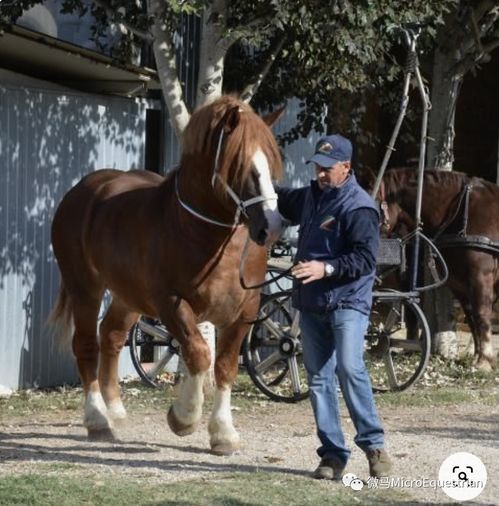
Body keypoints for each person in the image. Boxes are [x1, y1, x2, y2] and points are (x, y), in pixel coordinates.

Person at [276, 134, 392, 480]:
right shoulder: (311, 196)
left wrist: (324, 268)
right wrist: (252, 179)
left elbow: (365, 259)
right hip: (311, 303)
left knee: (349, 369)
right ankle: (332, 457)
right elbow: (280, 200)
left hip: (347, 302)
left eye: (328, 168)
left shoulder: (359, 207)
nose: (321, 174)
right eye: (317, 168)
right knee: (319, 380)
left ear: (346, 168)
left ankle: (374, 448)